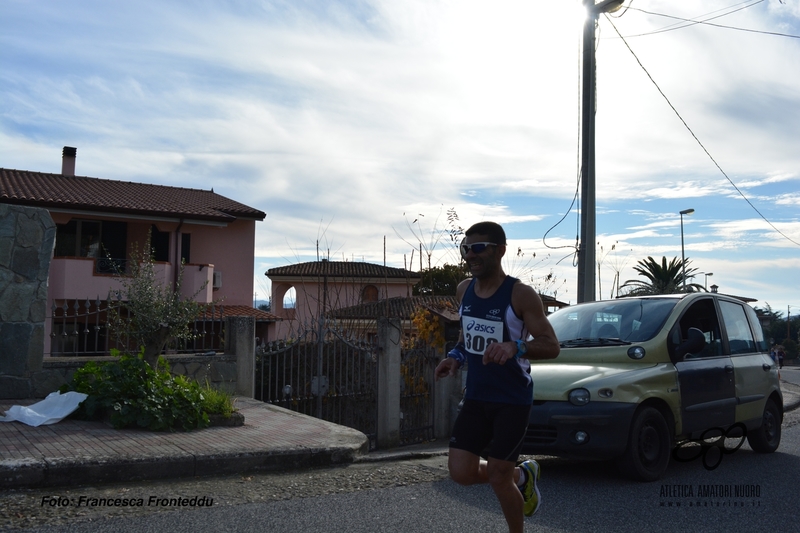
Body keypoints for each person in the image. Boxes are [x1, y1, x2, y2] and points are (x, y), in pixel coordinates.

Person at [435, 221, 560, 533]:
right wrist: (455, 357)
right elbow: (467, 339)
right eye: (465, 248)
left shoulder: (520, 294)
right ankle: (523, 476)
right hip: (476, 395)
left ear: (499, 251)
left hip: (512, 400)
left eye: (478, 248)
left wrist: (516, 346)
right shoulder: (464, 289)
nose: (469, 255)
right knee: (461, 473)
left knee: (497, 476)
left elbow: (551, 345)